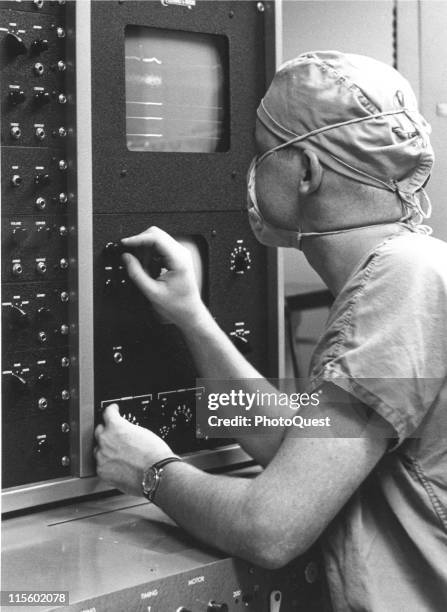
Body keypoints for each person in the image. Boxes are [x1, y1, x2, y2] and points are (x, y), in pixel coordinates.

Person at [94, 51, 447, 611]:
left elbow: (272, 529)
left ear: (306, 171)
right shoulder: (418, 270)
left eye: (262, 155)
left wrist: (152, 472)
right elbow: (305, 453)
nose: (250, 175)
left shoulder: (398, 287)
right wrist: (191, 316)